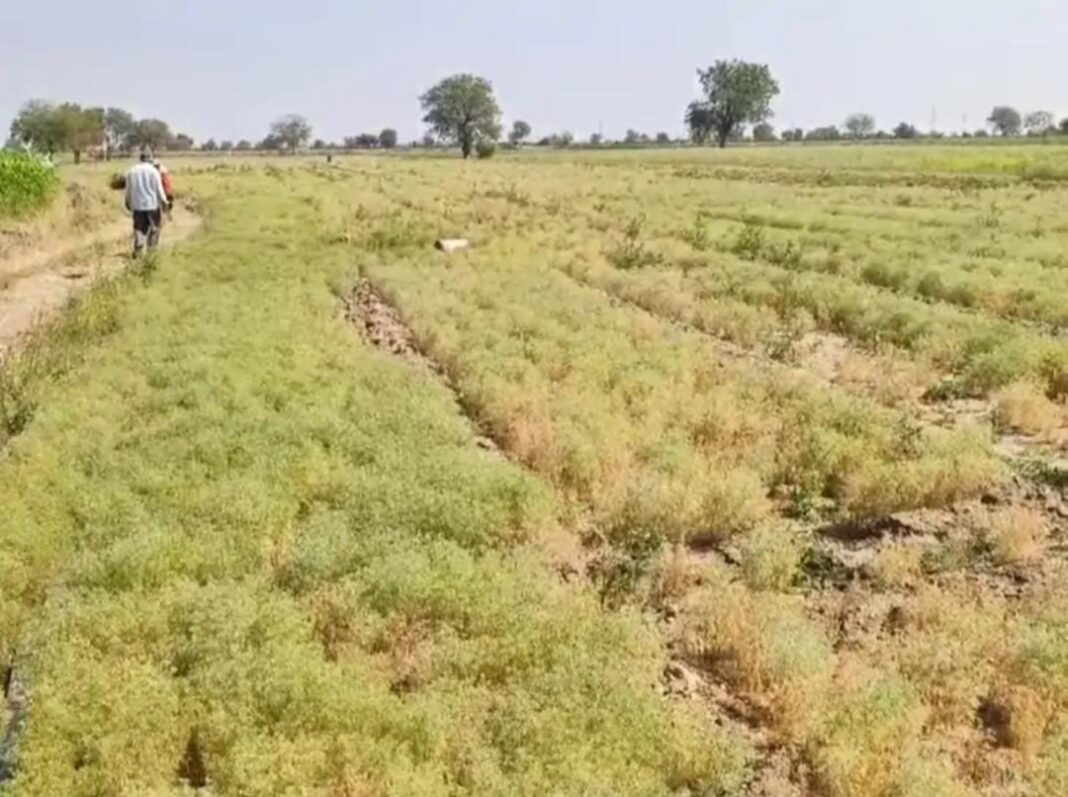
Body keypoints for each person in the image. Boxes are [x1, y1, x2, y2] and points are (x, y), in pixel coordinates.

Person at [124, 151, 170, 257]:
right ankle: (151, 253)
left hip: (137, 205)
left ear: (140, 158)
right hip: (152, 205)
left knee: (139, 229)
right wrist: (165, 202)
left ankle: (138, 252)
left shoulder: (131, 171)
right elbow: (159, 189)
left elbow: (128, 190)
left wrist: (127, 202)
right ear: (150, 159)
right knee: (154, 229)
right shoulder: (154, 171)